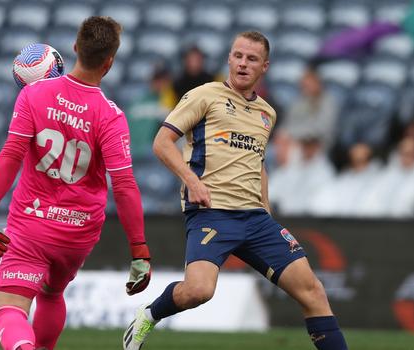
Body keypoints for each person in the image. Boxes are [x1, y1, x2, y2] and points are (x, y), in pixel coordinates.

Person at [123, 31, 348, 350]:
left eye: (252, 58)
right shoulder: (204, 95)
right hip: (212, 213)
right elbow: (162, 143)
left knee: (313, 291)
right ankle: (149, 314)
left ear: (264, 66)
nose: (243, 63)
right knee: (199, 291)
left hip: (256, 219)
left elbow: (258, 164)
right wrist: (192, 180)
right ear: (229, 58)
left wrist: (267, 211)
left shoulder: (267, 113)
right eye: (238, 56)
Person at [0, 16, 151, 350]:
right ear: (109, 63)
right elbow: (124, 185)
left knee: (10, 309)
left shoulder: (34, 94)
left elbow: (11, 153)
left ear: (74, 48)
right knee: (52, 293)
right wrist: (139, 248)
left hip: (31, 222)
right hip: (78, 232)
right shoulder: (111, 116)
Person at [283, 66, 340, 151]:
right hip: (296, 141)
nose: (306, 88)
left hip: (319, 143)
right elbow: (288, 124)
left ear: (318, 83)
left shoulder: (328, 101)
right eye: (304, 85)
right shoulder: (299, 101)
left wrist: (293, 134)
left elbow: (321, 128)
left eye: (309, 84)